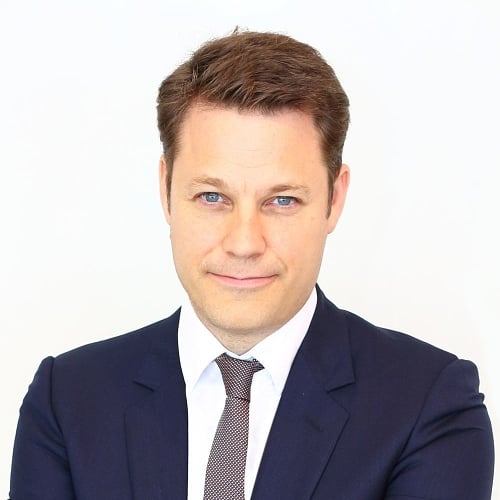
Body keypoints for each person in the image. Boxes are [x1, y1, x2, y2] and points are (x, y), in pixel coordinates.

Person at [9, 30, 494, 500]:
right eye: (212, 196)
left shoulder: (429, 405)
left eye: (282, 200)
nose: (244, 243)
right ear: (166, 189)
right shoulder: (67, 401)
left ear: (334, 199)